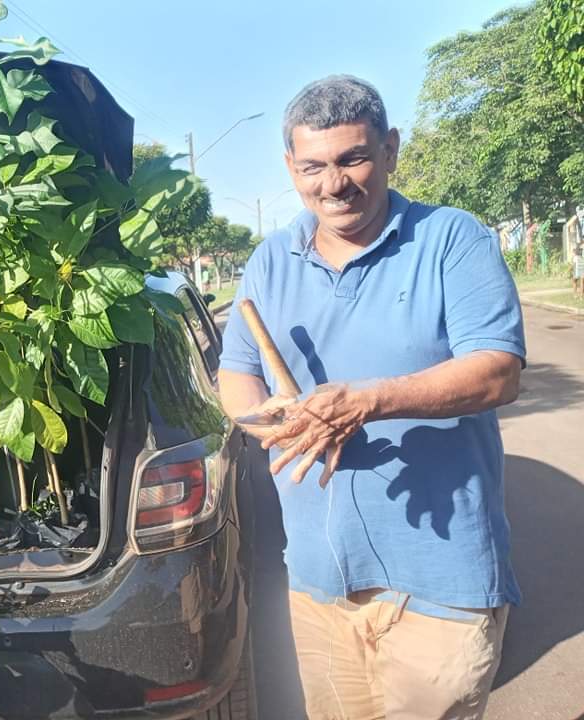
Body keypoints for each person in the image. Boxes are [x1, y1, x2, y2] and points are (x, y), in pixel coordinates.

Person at [219, 76, 524, 720]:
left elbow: (498, 371)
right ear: (290, 167)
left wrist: (371, 399)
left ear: (389, 149)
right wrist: (261, 421)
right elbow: (236, 371)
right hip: (319, 584)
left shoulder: (451, 239)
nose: (333, 184)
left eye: (352, 158)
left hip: (442, 586)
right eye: (312, 167)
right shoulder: (270, 261)